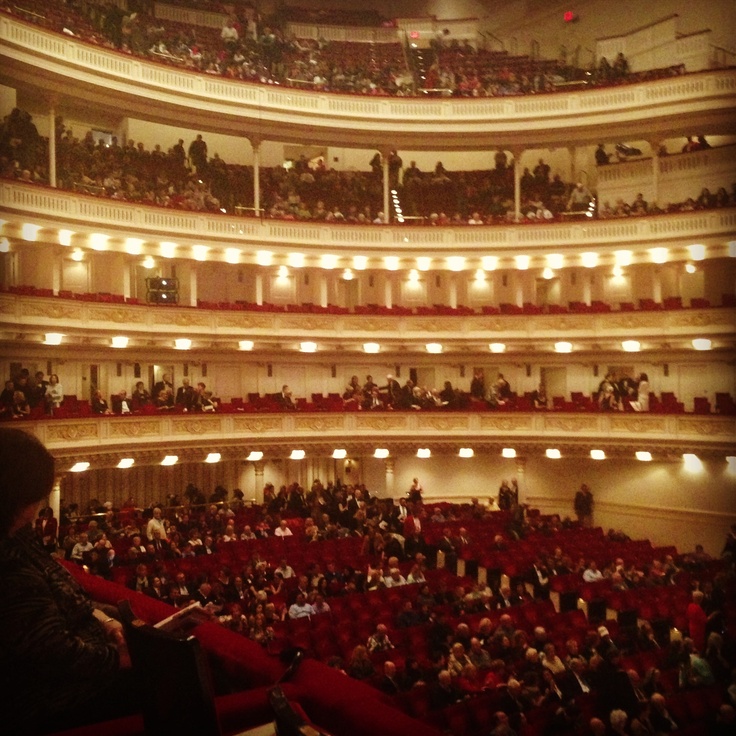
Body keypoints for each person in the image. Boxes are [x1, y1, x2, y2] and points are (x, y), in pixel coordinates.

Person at [0, 428, 135, 734]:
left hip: (84, 659)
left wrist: (101, 619)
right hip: (51, 699)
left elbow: (63, 583)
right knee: (178, 678)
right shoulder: (7, 567)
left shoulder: (19, 535)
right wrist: (119, 659)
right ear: (18, 496)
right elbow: (53, 654)